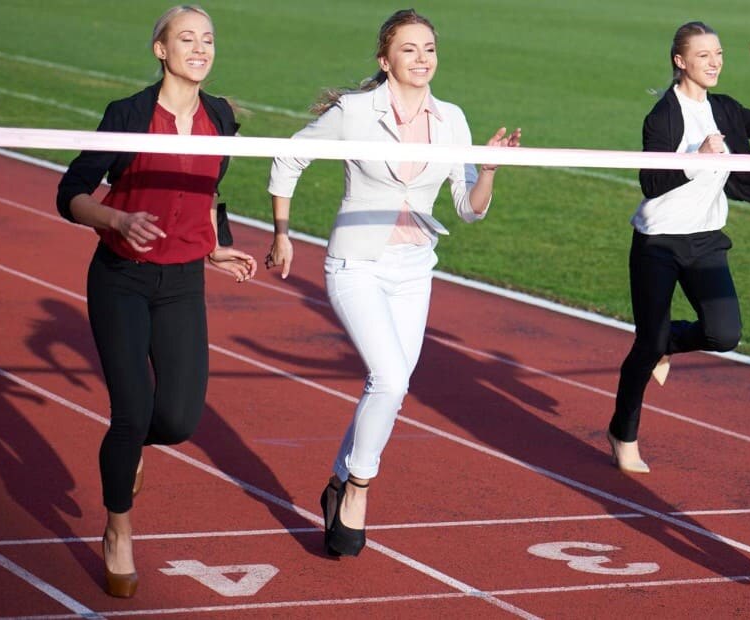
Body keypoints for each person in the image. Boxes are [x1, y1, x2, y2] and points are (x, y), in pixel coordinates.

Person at [264, 8, 521, 557]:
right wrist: (282, 233)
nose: (422, 58)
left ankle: (337, 481)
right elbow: (290, 156)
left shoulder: (452, 118)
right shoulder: (355, 111)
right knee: (390, 379)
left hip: (414, 268)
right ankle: (357, 488)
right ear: (385, 60)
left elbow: (468, 209)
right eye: (409, 49)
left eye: (429, 48)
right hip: (356, 263)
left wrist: (490, 170)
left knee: (390, 386)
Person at [53, 4, 257, 598]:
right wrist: (116, 216)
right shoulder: (129, 113)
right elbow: (71, 193)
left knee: (178, 419)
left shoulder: (221, 116)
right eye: (186, 39)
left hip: (182, 282)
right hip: (121, 277)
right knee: (131, 412)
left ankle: (133, 449)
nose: (200, 48)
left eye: (208, 39)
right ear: (161, 50)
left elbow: (209, 191)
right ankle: (118, 531)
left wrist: (218, 247)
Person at [606, 21, 750, 473]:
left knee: (723, 333)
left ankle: (665, 342)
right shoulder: (663, 116)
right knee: (646, 344)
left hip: (706, 241)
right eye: (704, 55)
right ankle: (622, 432)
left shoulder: (724, 109)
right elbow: (651, 182)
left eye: (719, 54)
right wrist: (697, 160)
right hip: (658, 242)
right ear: (680, 61)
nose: (715, 62)